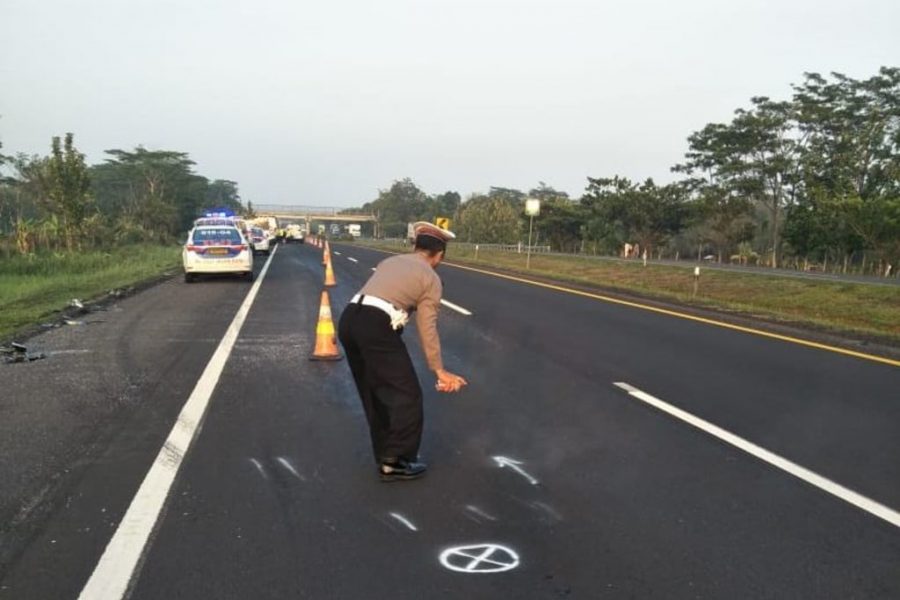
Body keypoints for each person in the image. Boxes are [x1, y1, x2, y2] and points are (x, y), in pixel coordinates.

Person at [338, 222, 468, 482]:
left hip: (349, 319)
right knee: (407, 394)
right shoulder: (431, 278)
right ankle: (397, 461)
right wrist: (438, 370)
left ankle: (385, 456)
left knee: (374, 391)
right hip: (375, 326)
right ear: (439, 255)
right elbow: (426, 325)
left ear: (416, 246)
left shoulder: (391, 261)